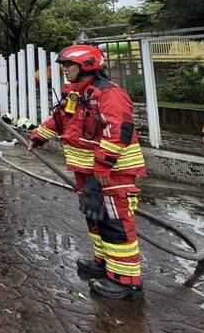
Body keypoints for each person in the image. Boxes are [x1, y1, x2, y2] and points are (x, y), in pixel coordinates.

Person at [27, 45, 147, 300]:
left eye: (68, 66)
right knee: (95, 217)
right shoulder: (75, 94)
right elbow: (60, 120)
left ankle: (126, 281)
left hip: (112, 173)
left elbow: (119, 129)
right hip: (86, 170)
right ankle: (104, 264)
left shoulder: (109, 94)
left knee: (115, 223)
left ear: (86, 66)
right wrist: (38, 137)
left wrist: (103, 165)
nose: (64, 71)